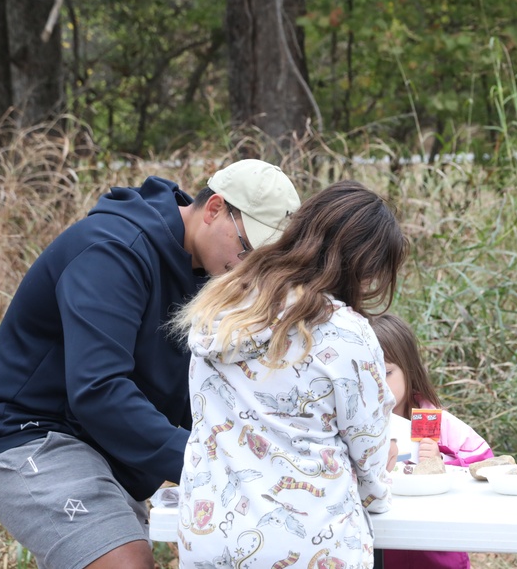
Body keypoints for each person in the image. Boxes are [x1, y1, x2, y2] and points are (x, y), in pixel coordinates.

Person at [0, 159, 300, 569]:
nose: (250, 271)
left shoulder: (213, 269)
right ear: (214, 209)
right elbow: (98, 390)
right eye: (248, 250)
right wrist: (208, 464)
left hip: (108, 447)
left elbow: (220, 388)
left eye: (265, 263)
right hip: (31, 433)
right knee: (125, 561)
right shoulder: (113, 250)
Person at [174, 179, 406, 568]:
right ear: (364, 266)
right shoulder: (344, 331)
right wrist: (381, 490)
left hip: (212, 535)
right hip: (311, 544)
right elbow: (368, 457)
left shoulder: (218, 305)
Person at [372, 313, 493, 569]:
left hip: (434, 555)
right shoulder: (355, 425)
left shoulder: (434, 421)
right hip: (378, 552)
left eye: (388, 372)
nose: (378, 386)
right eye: (368, 375)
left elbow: (485, 463)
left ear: (409, 369)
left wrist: (442, 463)